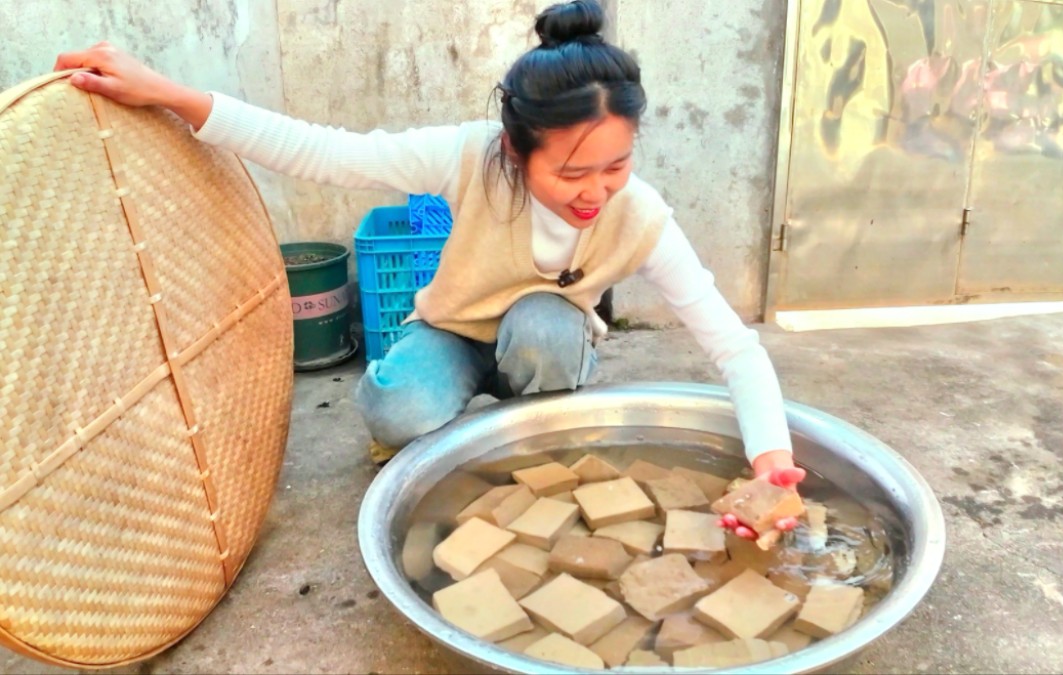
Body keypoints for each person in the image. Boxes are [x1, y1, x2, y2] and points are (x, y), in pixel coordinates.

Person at [55, 0, 804, 540]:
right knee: (398, 410)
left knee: (544, 325)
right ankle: (449, 410)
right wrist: (173, 96)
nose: (596, 191)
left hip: (539, 347)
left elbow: (735, 347)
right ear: (517, 151)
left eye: (617, 164)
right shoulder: (468, 156)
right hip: (451, 330)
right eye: (573, 171)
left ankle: (528, 432)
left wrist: (772, 460)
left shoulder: (641, 217)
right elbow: (323, 150)